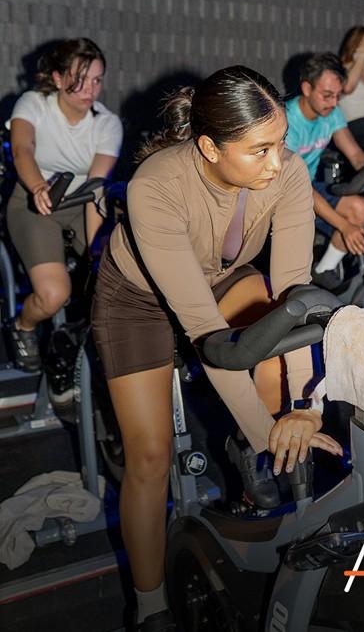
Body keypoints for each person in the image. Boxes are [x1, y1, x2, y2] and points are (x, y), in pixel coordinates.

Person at [90, 66, 343, 632]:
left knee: (274, 346)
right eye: (260, 150)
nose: (278, 163)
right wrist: (267, 430)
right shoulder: (155, 185)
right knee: (150, 457)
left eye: (280, 143)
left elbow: (296, 294)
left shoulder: (287, 171)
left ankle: (247, 458)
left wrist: (305, 406)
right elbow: (205, 330)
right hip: (137, 300)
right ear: (209, 148)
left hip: (222, 276)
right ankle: (150, 604)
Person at [7, 37, 123, 371]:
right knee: (54, 295)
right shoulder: (34, 103)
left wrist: (97, 257)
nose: (90, 90)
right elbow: (22, 150)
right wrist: (37, 186)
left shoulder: (107, 124)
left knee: (120, 276)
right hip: (33, 203)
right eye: (80, 80)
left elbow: (95, 191)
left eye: (97, 80)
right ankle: (22, 326)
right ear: (58, 78)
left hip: (81, 203)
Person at [285, 52, 364, 290]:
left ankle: (324, 270)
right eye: (327, 95)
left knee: (361, 209)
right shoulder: (287, 121)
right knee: (346, 223)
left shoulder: (331, 113)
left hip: (309, 184)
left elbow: (356, 155)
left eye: (337, 96)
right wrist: (345, 226)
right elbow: (297, 187)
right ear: (307, 88)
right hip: (282, 192)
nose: (333, 103)